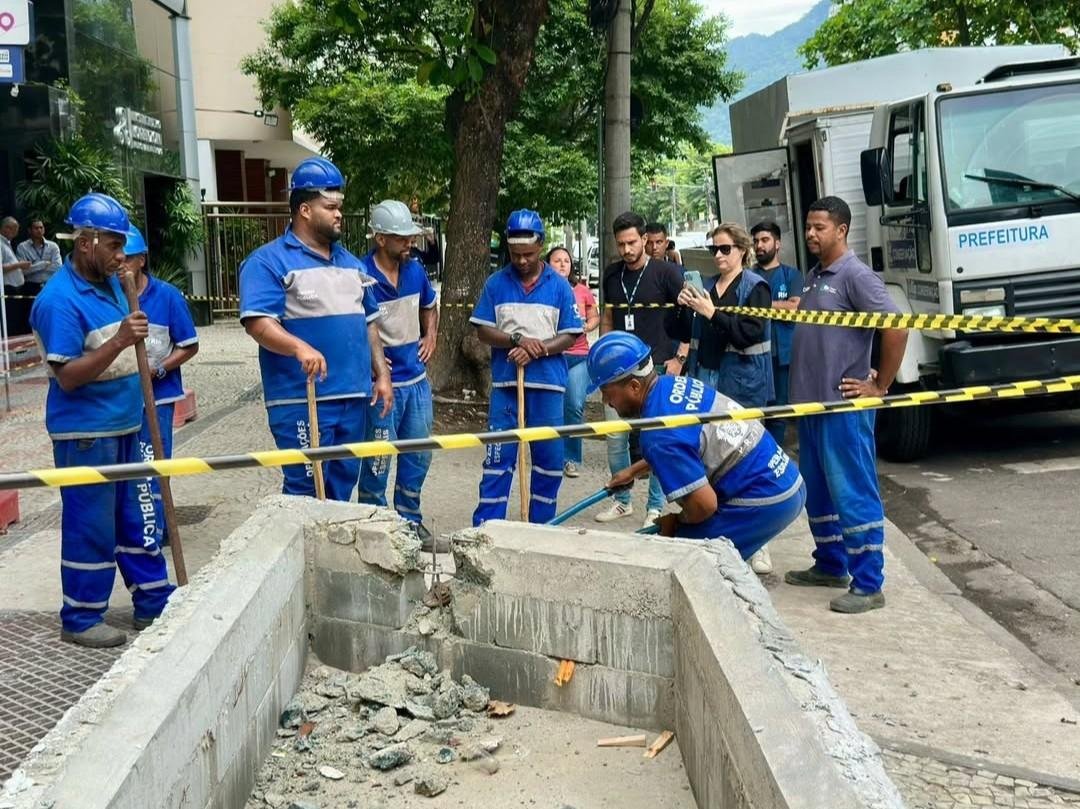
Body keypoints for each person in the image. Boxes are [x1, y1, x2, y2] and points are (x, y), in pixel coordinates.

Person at [29, 194, 175, 647]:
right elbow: (69, 377)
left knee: (138, 516)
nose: (120, 256)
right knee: (91, 526)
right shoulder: (59, 301)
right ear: (86, 241)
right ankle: (81, 617)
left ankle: (154, 600)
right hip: (87, 433)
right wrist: (119, 341)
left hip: (127, 423)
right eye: (114, 246)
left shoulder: (112, 283)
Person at [239, 156, 393, 501]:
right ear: (304, 210)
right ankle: (302, 554)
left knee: (341, 486)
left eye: (340, 206)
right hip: (301, 397)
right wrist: (299, 348)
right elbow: (258, 323)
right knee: (306, 489)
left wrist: (381, 375)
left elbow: (370, 324)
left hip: (352, 397)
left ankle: (330, 553)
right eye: (330, 207)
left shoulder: (352, 265)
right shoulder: (268, 261)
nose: (339, 214)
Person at [783, 196, 908, 614]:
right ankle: (831, 565)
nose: (811, 234)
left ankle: (869, 582)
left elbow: (897, 327)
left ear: (841, 230)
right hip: (811, 408)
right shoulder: (815, 275)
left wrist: (881, 384)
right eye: (808, 226)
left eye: (820, 227)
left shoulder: (856, 276)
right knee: (817, 492)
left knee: (852, 491)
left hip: (842, 408)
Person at [591, 331, 805, 557]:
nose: (606, 402)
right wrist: (632, 472)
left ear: (634, 386)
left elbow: (704, 506)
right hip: (788, 480)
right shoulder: (673, 384)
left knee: (683, 558)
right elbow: (684, 445)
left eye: (606, 392)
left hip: (764, 499)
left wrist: (677, 522)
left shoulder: (658, 435)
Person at [469, 209, 581, 525]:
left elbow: (571, 334)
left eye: (528, 254)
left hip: (548, 386)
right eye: (515, 254)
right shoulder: (495, 283)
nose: (521, 261)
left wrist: (539, 349)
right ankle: (486, 529)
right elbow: (482, 330)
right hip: (506, 386)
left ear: (541, 246)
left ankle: (541, 529)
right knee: (497, 461)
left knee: (548, 463)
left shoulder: (559, 286)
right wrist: (517, 339)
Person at [597, 212, 689, 528]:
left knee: (658, 439)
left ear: (645, 239)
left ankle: (655, 506)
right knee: (614, 436)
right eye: (620, 244)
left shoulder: (667, 272)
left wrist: (680, 358)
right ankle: (622, 501)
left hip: (659, 367)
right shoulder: (611, 274)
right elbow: (608, 315)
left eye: (632, 242)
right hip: (619, 373)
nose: (626, 249)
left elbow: (688, 316)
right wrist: (602, 354)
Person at [356, 200, 439, 545]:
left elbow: (429, 305)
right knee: (377, 460)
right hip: (382, 388)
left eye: (411, 237)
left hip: (416, 383)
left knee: (418, 455)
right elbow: (350, 327)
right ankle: (376, 526)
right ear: (379, 238)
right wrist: (369, 362)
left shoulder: (416, 271)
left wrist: (431, 335)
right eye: (402, 238)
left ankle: (410, 522)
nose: (410, 243)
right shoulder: (360, 276)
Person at [123, 224, 199, 547]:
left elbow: (189, 345)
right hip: (120, 400)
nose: (119, 264)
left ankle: (153, 532)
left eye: (126, 257)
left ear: (141, 259)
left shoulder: (166, 296)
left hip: (158, 399)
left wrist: (159, 369)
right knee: (129, 472)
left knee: (153, 465)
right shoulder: (109, 298)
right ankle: (141, 529)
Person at [666, 223, 773, 408]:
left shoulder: (756, 287)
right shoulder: (707, 285)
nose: (717, 255)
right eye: (713, 249)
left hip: (741, 380)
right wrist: (682, 306)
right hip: (702, 375)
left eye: (725, 249)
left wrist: (711, 313)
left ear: (742, 250)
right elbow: (682, 333)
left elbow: (746, 336)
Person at [546, 246, 599, 478]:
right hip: (551, 356)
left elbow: (595, 315)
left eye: (566, 260)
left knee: (574, 405)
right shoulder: (543, 290)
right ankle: (550, 456)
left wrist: (589, 325)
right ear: (547, 264)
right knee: (550, 408)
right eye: (557, 260)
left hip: (579, 357)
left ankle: (571, 458)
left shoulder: (583, 291)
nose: (562, 264)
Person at [750, 221, 801, 445]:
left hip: (781, 356)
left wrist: (762, 305)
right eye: (756, 241)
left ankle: (777, 454)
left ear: (777, 244)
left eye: (765, 240)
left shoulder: (791, 275)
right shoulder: (748, 276)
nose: (759, 246)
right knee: (753, 412)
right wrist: (779, 305)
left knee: (778, 413)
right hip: (753, 354)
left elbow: (794, 308)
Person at [1, 216, 32, 335]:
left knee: (16, 320)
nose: (17, 232)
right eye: (15, 229)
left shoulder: (7, 243)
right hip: (7, 288)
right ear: (6, 228)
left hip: (15, 289)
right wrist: (19, 265)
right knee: (10, 322)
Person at [17, 218, 63, 294]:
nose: (39, 230)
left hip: (50, 285)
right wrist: (44, 264)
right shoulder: (22, 247)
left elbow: (58, 267)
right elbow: (23, 271)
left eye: (41, 227)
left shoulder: (53, 246)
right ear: (29, 230)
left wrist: (32, 266)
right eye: (36, 228)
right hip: (30, 286)